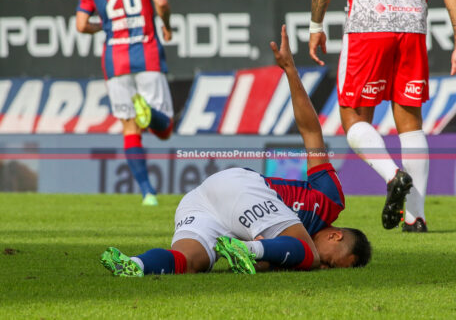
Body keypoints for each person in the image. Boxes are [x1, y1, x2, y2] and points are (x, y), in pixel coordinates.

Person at [100, 26, 371, 277]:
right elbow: (312, 133)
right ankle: (246, 248)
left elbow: (265, 262)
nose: (324, 266)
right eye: (331, 262)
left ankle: (135, 264)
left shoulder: (286, 248)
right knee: (307, 255)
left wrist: (260, 255)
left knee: (191, 261)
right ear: (336, 236)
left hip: (203, 201)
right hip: (242, 188)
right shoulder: (329, 200)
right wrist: (290, 70)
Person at [308, 0, 456, 232]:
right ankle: (415, 218)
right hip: (412, 28)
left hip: (367, 25)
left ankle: (392, 175)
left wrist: (315, 26)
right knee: (411, 125)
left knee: (353, 118)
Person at [76, 0, 175, 206]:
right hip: (147, 56)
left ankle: (148, 193)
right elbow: (162, 2)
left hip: (115, 62)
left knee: (130, 129)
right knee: (165, 129)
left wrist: (106, 25)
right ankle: (148, 114)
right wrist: (166, 26)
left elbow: (81, 25)